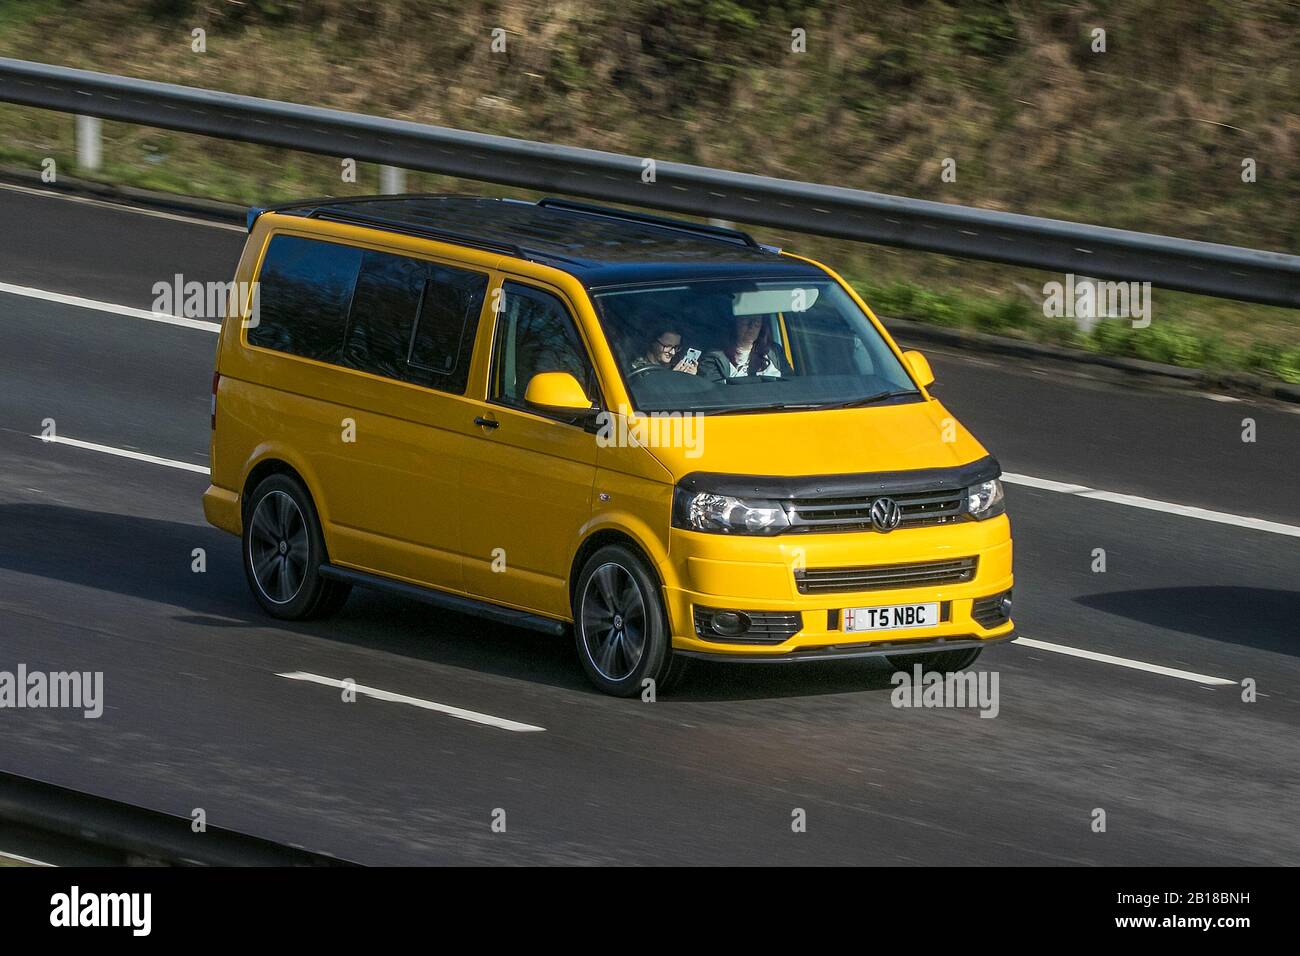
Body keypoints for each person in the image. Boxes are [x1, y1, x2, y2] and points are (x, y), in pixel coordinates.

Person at [698, 314, 791, 384]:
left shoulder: (774, 351)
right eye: (746, 320)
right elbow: (715, 394)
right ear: (734, 323)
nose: (751, 326)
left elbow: (791, 382)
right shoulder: (714, 357)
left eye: (757, 322)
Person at [629, 324, 698, 374]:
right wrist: (673, 378)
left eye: (676, 347)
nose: (673, 352)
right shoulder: (636, 369)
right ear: (653, 341)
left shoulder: (676, 367)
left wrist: (690, 378)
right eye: (667, 346)